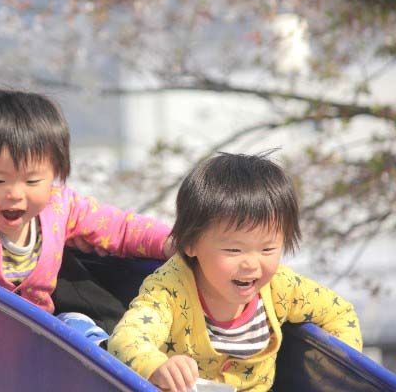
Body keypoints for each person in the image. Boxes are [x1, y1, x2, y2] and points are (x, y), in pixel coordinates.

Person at [0, 88, 174, 334]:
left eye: (32, 181)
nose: (15, 193)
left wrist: (172, 242)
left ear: (55, 174)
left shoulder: (59, 206)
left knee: (79, 327)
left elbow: (121, 228)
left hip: (38, 338)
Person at [107, 152, 362, 392]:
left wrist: (338, 376)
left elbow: (340, 313)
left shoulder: (281, 287)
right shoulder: (169, 289)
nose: (251, 264)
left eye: (267, 249)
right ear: (190, 243)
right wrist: (156, 366)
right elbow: (126, 338)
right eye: (233, 250)